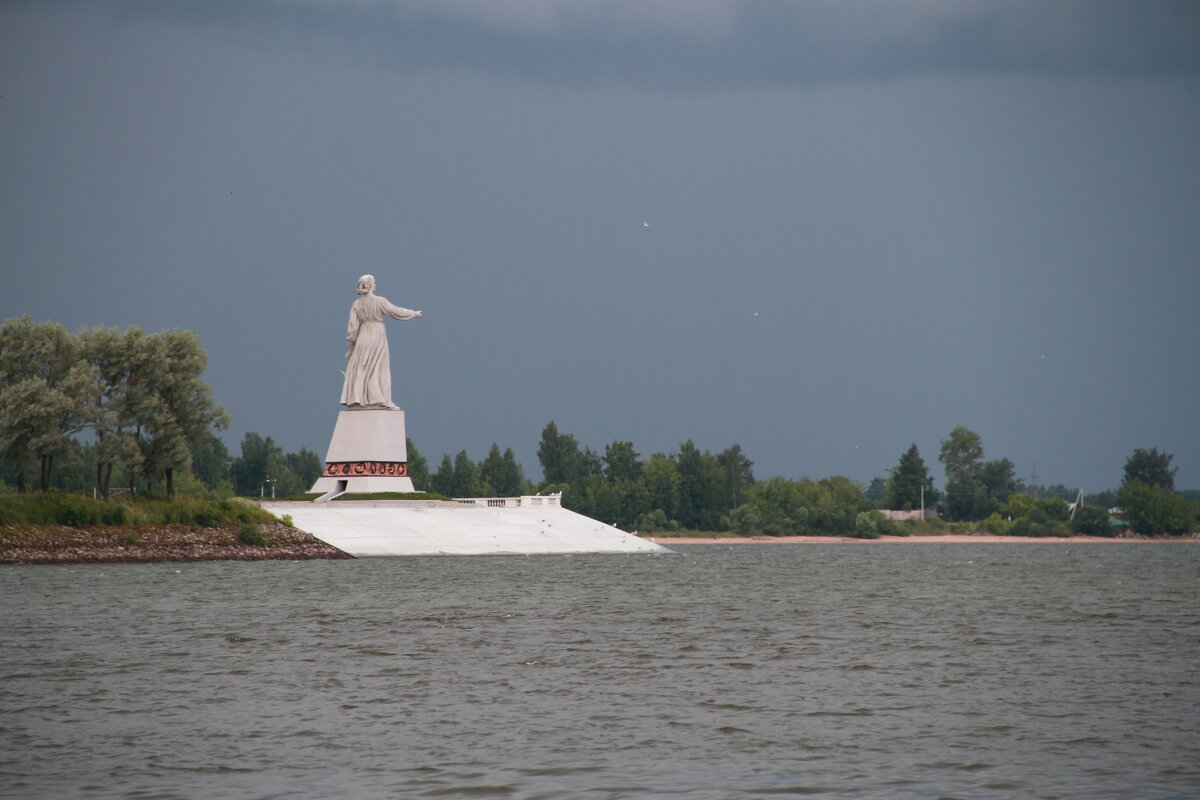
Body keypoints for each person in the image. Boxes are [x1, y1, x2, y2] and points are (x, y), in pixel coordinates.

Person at [340, 274, 422, 409]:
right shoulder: (379, 301)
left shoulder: (356, 304)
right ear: (371, 285)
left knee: (362, 366)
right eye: (375, 283)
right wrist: (414, 313)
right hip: (377, 335)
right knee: (378, 367)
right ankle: (379, 399)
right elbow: (397, 312)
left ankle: (359, 398)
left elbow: (351, 329)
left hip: (363, 335)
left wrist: (351, 346)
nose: (376, 285)